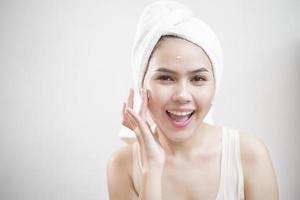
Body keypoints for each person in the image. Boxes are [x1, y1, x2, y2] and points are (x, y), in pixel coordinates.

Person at [106, 1, 278, 199]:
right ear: (141, 86)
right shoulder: (122, 166)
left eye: (198, 79)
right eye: (166, 78)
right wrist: (151, 168)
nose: (182, 96)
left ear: (215, 88)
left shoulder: (250, 155)